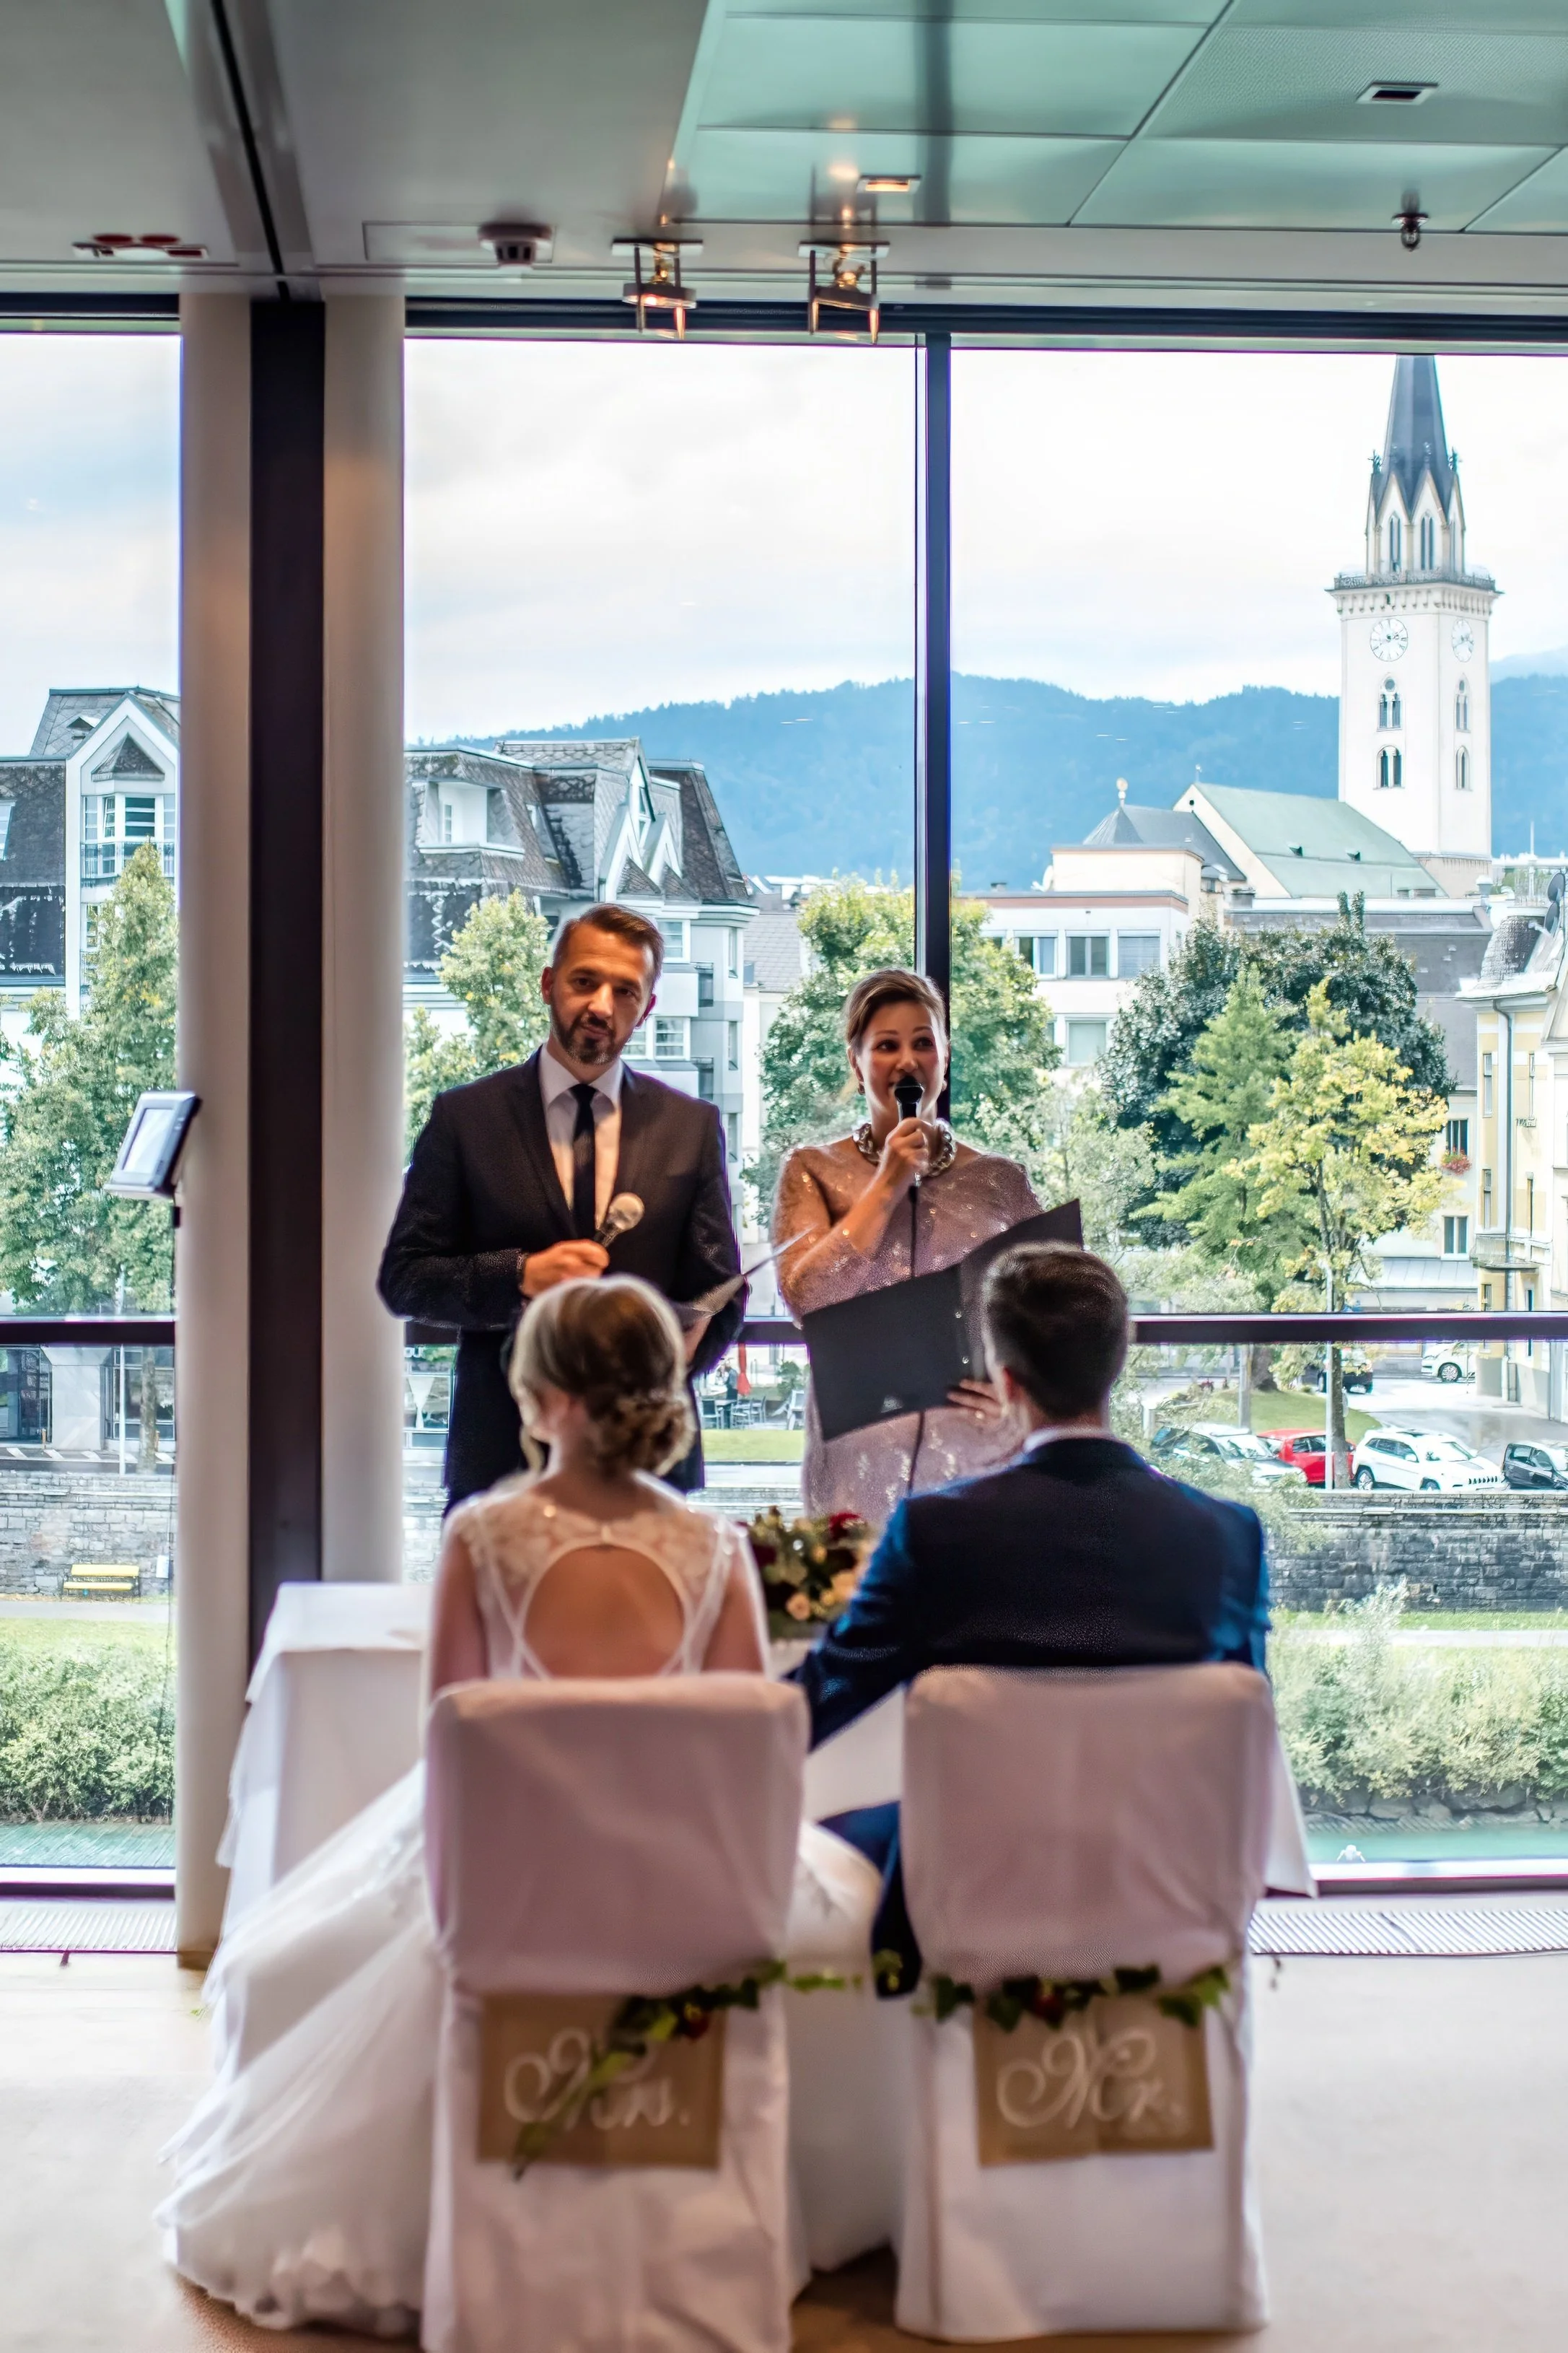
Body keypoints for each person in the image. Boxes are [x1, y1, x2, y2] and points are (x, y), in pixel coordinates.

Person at [157, 1278, 774, 2333]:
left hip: (510, 1874)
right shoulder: (716, 1549)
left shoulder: (485, 1537)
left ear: (548, 1397)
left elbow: (450, 1735)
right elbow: (744, 1738)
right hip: (673, 1885)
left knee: (272, 1968)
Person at [795, 1241, 1271, 1996]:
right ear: (1120, 1359)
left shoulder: (935, 1533)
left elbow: (819, 1699)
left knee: (836, 1833)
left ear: (1006, 1379)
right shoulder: (1226, 1536)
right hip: (1162, 1884)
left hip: (972, 1897)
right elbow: (1243, 1735)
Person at [379, 902, 744, 1508]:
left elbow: (720, 1292)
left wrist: (663, 1371)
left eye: (625, 991)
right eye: (584, 981)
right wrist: (520, 1275)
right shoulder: (464, 1119)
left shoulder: (692, 1127)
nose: (602, 1005)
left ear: (647, 1008)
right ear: (549, 984)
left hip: (649, 1470)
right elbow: (405, 1279)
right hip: (500, 1461)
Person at [772, 966, 1041, 1525]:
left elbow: (1052, 1318)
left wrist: (1024, 1402)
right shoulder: (810, 1171)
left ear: (944, 1058)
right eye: (885, 1046)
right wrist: (887, 1184)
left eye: (923, 1043)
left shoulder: (1001, 1181)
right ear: (856, 1061)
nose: (906, 1060)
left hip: (980, 1461)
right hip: (857, 1462)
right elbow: (807, 1300)